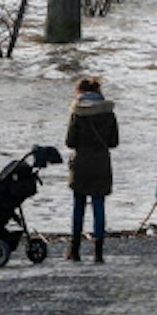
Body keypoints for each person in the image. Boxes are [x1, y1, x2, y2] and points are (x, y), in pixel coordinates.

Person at [64, 76, 118, 263]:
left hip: (80, 164)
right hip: (101, 163)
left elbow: (70, 142)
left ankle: (75, 250)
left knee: (78, 207)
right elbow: (114, 142)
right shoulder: (108, 112)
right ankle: (98, 252)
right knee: (99, 206)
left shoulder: (77, 112)